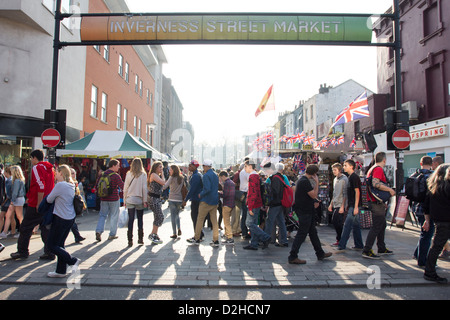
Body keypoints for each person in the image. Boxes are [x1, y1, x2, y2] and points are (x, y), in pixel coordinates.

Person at [11, 150, 55, 260]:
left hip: (37, 203)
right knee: (45, 228)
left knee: (25, 227)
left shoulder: (37, 168)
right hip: (48, 202)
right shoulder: (50, 169)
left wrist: (38, 203)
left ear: (34, 158)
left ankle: (22, 251)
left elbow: (41, 185)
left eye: (31, 158)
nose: (31, 161)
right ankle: (50, 252)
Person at [288, 164, 332, 264]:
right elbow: (313, 195)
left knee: (313, 233)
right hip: (305, 211)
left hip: (307, 210)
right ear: (314, 174)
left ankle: (320, 253)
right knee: (302, 233)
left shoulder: (301, 180)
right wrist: (317, 183)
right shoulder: (304, 181)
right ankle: (292, 256)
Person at [363, 152, 395, 259]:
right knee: (377, 226)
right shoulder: (378, 169)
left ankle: (381, 247)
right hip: (375, 203)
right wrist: (389, 189)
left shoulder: (372, 169)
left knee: (382, 224)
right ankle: (367, 250)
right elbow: (376, 184)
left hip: (376, 202)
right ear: (384, 160)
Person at [422, 163, 450, 284]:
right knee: (437, 246)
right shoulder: (447, 186)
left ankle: (429, 271)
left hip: (438, 220)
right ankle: (429, 272)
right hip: (447, 220)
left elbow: (426, 207)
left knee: (436, 246)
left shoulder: (432, 187)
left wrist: (427, 220)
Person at [188, 159, 220, 247]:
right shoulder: (215, 175)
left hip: (206, 201)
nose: (203, 168)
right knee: (214, 222)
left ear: (206, 166)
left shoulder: (206, 175)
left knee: (200, 219)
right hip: (214, 201)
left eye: (203, 166)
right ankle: (215, 240)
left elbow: (207, 189)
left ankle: (197, 238)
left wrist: (200, 194)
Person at [410, 156, 434, 268]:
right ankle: (422, 260)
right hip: (427, 210)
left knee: (423, 233)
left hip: (416, 208)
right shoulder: (431, 176)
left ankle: (417, 254)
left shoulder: (414, 175)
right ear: (432, 163)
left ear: (421, 163)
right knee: (427, 235)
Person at [335, 159, 364, 252]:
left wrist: (356, 207)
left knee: (347, 225)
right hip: (352, 205)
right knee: (355, 226)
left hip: (354, 205)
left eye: (345, 165)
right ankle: (359, 244)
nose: (344, 167)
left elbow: (357, 192)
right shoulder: (350, 177)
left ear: (351, 166)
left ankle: (342, 244)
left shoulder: (354, 177)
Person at [243, 160, 271, 250]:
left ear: (250, 166)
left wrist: (250, 206)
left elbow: (253, 193)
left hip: (254, 204)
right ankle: (254, 243)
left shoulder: (253, 176)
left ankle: (265, 237)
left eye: (245, 166)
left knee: (249, 223)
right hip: (257, 203)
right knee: (253, 223)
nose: (245, 168)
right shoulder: (256, 176)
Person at [95, 159, 124, 242]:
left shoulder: (102, 174)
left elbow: (96, 185)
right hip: (114, 199)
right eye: (118, 165)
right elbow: (122, 186)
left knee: (102, 215)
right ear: (113, 165)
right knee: (114, 216)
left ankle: (98, 231)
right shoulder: (116, 175)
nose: (119, 167)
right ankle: (112, 234)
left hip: (103, 199)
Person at [123, 158, 148, 246]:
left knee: (131, 219)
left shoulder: (128, 174)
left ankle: (130, 239)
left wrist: (124, 200)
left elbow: (125, 188)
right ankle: (140, 239)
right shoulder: (143, 175)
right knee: (140, 219)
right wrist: (145, 200)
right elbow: (144, 188)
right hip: (139, 199)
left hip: (130, 199)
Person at [264, 162, 289, 247]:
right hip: (280, 203)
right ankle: (283, 241)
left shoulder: (275, 178)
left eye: (266, 170)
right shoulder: (279, 176)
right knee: (281, 222)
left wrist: (268, 200)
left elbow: (275, 192)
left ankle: (266, 239)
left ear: (270, 169)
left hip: (275, 203)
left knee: (269, 221)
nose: (265, 172)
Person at [328, 163, 348, 247]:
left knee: (337, 221)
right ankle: (339, 239)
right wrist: (331, 204)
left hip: (340, 204)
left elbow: (345, 193)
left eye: (335, 170)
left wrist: (343, 206)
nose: (333, 172)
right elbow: (334, 192)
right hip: (336, 203)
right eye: (333, 170)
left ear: (339, 170)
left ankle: (340, 239)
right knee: (336, 222)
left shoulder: (344, 179)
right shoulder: (335, 179)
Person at [184, 160, 204, 242]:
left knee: (195, 218)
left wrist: (185, 199)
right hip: (198, 199)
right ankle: (200, 234)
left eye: (190, 166)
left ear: (195, 166)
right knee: (197, 218)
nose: (189, 167)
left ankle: (197, 236)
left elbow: (192, 189)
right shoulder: (198, 174)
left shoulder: (196, 176)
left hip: (196, 199)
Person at [164, 164, 185, 239]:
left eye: (170, 169)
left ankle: (174, 233)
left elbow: (165, 186)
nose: (169, 171)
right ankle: (179, 228)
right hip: (179, 199)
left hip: (172, 198)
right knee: (177, 215)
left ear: (174, 170)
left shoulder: (171, 177)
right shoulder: (181, 178)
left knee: (173, 216)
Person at [147, 161, 165, 244]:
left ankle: (154, 234)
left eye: (162, 167)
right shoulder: (154, 175)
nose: (161, 169)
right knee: (160, 216)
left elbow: (163, 185)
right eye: (160, 167)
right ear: (155, 168)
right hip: (153, 198)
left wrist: (162, 174)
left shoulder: (157, 175)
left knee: (157, 216)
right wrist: (163, 174)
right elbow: (163, 183)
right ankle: (152, 234)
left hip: (157, 198)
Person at [218, 171, 235, 245]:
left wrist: (218, 193)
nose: (221, 180)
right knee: (227, 221)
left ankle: (230, 238)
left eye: (220, 178)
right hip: (231, 204)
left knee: (226, 222)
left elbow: (225, 195)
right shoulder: (231, 182)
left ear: (223, 176)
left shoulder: (227, 183)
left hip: (227, 204)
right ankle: (226, 234)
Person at [69, 168, 86, 243]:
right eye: (72, 173)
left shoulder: (75, 182)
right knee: (71, 221)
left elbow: (79, 194)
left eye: (74, 173)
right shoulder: (68, 183)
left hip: (73, 204)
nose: (74, 175)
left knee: (72, 221)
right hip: (69, 204)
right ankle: (77, 236)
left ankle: (77, 236)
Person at [0, 166, 13, 238]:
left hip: (7, 202)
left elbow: (7, 194)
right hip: (9, 202)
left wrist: (3, 201)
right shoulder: (8, 180)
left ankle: (4, 231)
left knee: (3, 216)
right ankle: (11, 231)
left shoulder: (8, 181)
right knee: (9, 217)